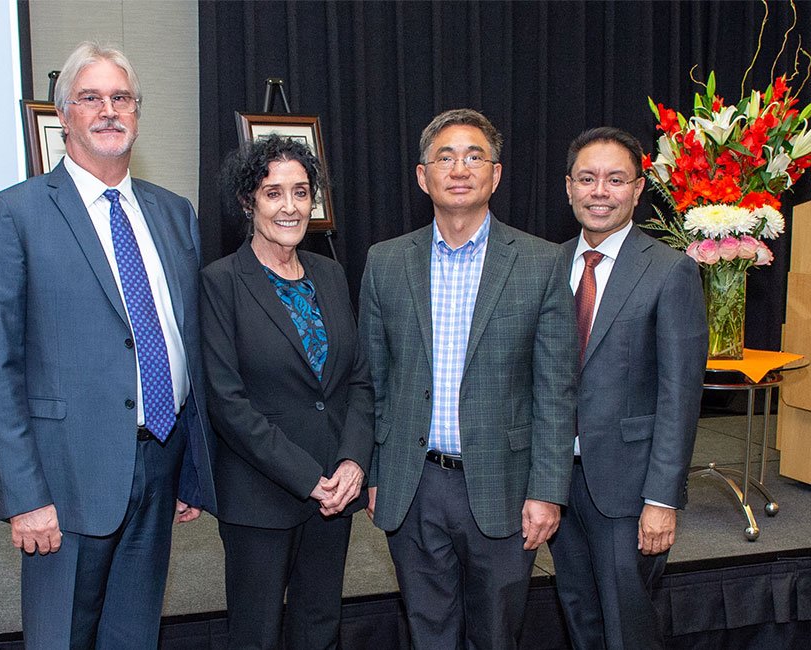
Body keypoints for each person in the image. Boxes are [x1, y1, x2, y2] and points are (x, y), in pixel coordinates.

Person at [0, 41, 216, 648]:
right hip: (66, 477)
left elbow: (190, 343)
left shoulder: (173, 212)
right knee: (62, 637)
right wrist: (24, 496)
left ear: (137, 111)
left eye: (121, 97)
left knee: (134, 635)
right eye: (91, 98)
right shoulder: (14, 214)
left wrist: (191, 469)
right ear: (64, 116)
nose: (109, 110)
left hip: (159, 460)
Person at [359, 108, 577, 648]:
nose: (459, 168)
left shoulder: (540, 262)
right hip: (414, 483)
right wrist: (376, 468)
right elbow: (374, 380)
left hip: (503, 484)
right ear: (422, 175)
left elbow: (554, 389)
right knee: (427, 630)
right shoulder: (385, 262)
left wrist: (548, 490)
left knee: (496, 635)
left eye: (474, 156)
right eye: (445, 157)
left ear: (495, 174)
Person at [200, 134, 373, 650]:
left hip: (335, 491)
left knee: (319, 629)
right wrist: (307, 477)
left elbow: (357, 381)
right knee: (254, 635)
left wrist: (352, 463)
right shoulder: (221, 282)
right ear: (247, 202)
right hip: (260, 495)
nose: (290, 206)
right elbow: (227, 404)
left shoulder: (331, 274)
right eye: (273, 192)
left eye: (301, 192)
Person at [548, 127, 707, 649]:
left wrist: (663, 498)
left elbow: (679, 398)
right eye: (588, 179)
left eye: (615, 180)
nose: (600, 192)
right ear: (568, 187)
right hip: (556, 484)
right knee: (580, 618)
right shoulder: (544, 266)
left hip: (630, 491)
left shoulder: (669, 271)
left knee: (628, 628)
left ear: (638, 189)